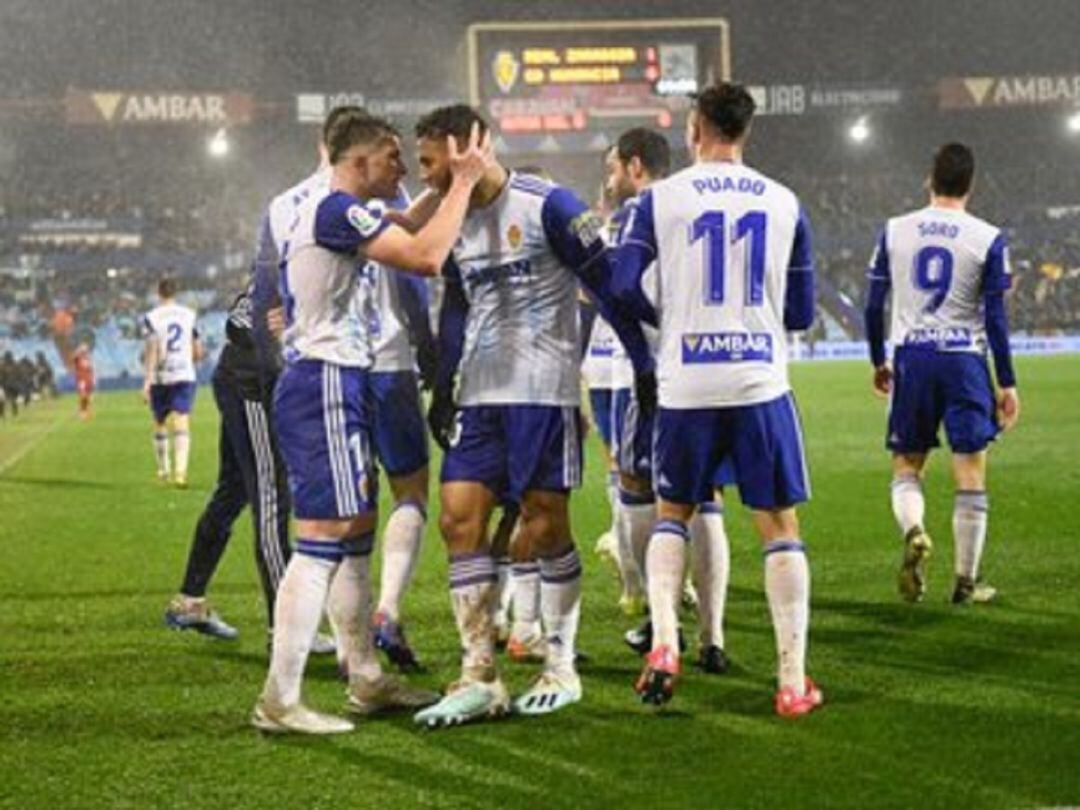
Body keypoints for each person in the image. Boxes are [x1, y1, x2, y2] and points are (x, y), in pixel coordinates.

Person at [251, 109, 493, 734]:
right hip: (325, 381)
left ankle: (364, 678)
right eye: (392, 157)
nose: (403, 167)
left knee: (353, 533)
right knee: (322, 539)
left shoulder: (340, 208)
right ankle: (281, 699)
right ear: (358, 164)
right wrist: (463, 186)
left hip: (344, 379)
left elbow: (406, 221)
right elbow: (425, 257)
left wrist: (450, 181)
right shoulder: (334, 211)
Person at [415, 104, 654, 728]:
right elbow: (458, 307)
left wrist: (645, 369)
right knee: (457, 520)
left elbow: (609, 289)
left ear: (470, 147)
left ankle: (561, 664)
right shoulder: (452, 220)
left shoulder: (548, 205)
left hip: (543, 395)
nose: (425, 177)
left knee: (546, 528)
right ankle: (479, 675)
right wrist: (444, 386)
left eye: (430, 162)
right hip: (481, 395)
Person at [611, 82, 822, 716]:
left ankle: (668, 645)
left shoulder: (656, 201)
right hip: (758, 382)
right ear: (745, 131)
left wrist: (674, 314)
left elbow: (622, 288)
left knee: (673, 512)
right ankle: (791, 682)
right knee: (778, 528)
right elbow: (802, 311)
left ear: (695, 127)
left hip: (685, 384)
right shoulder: (786, 202)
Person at [864, 142, 1019, 605]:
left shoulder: (894, 230)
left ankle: (914, 529)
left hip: (912, 357)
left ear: (929, 180)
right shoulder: (988, 237)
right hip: (963, 360)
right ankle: (965, 583)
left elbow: (873, 304)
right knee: (970, 470)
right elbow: (994, 318)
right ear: (971, 185)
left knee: (907, 463)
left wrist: (878, 360)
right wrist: (1006, 381)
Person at [604, 128, 732, 676]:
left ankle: (663, 622)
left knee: (637, 485)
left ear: (634, 167)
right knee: (707, 500)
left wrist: (647, 345)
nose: (610, 180)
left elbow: (617, 292)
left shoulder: (636, 214)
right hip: (719, 368)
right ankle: (713, 634)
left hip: (654, 371)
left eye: (613, 168)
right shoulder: (705, 200)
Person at [162, 286, 292, 644]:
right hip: (251, 387)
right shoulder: (285, 261)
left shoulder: (284, 257)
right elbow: (239, 324)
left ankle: (189, 600)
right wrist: (287, 328)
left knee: (233, 492)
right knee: (272, 497)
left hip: (240, 379)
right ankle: (286, 626)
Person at [141, 278, 203, 487]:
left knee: (160, 422)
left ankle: (163, 471)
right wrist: (190, 363)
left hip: (161, 375)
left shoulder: (152, 317)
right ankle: (180, 473)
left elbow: (152, 349)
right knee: (181, 420)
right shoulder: (189, 315)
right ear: (176, 293)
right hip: (184, 374)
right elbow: (197, 348)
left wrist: (147, 381)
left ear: (158, 293)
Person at [72, 344, 94, 421]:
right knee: (83, 395)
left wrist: (93, 378)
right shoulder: (78, 358)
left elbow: (90, 370)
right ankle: (83, 412)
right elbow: (74, 356)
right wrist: (79, 349)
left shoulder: (88, 359)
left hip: (88, 380)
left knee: (88, 396)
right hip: (81, 380)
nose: (85, 352)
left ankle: (84, 411)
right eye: (84, 350)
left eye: (86, 350)